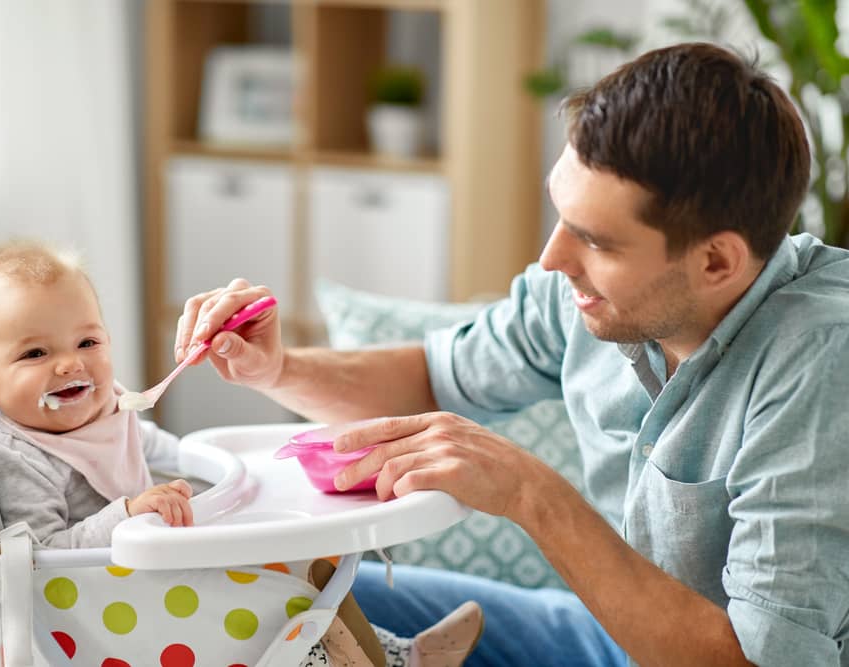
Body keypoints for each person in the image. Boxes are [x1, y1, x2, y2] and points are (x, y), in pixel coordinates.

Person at [173, 42, 849, 667]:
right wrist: (279, 368)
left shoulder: (821, 358)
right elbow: (433, 375)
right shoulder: (586, 294)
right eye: (562, 216)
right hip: (603, 635)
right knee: (270, 596)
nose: (554, 259)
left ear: (716, 260)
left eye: (599, 243)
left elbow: (762, 661)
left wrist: (531, 492)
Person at [0, 239, 484, 667]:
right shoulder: (20, 456)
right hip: (113, 602)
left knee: (309, 559)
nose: (70, 365)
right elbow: (45, 558)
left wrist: (200, 466)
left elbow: (150, 445)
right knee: (277, 585)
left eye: (87, 344)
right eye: (36, 353)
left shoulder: (104, 408)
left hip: (157, 565)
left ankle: (394, 654)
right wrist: (128, 514)